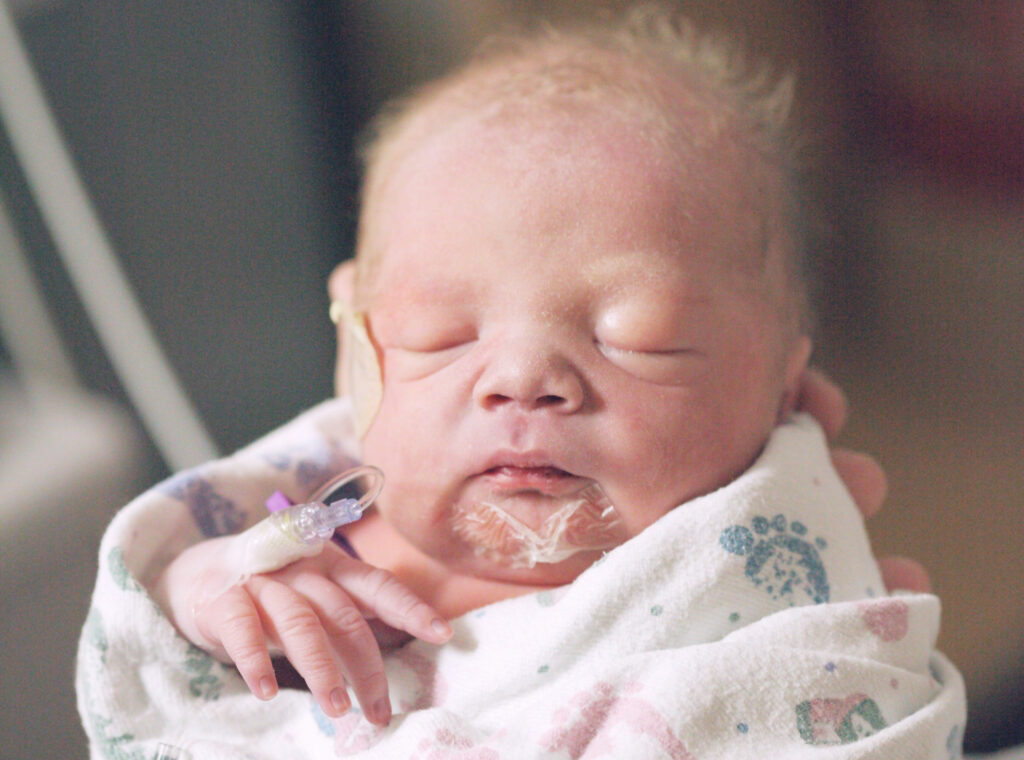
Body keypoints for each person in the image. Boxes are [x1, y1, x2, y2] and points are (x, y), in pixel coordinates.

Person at [87, 6, 958, 756]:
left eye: (636, 339)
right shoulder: (303, 518)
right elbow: (147, 678)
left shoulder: (769, 597)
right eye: (441, 334)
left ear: (784, 385)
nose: (522, 380)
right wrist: (194, 595)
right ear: (354, 337)